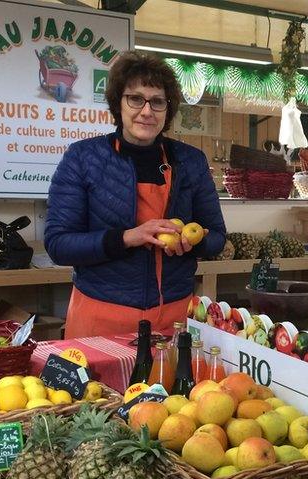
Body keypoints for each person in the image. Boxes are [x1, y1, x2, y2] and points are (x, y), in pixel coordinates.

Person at [45, 51, 226, 338]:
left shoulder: (190, 161)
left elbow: (217, 236)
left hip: (174, 317)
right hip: (100, 315)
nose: (146, 111)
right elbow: (58, 243)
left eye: (157, 101)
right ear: (119, 103)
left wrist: (194, 241)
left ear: (168, 109)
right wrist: (128, 237)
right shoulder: (83, 158)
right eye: (135, 98)